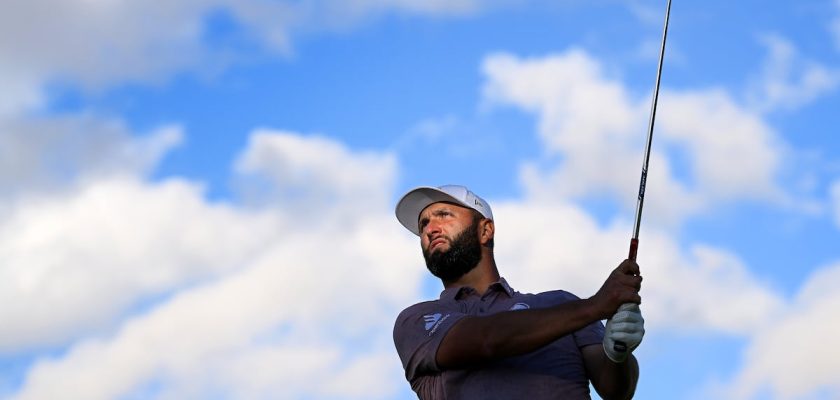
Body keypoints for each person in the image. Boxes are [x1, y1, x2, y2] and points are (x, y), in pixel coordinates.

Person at [392, 185, 645, 400]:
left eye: (444, 215)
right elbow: (487, 339)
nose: (430, 229)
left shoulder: (561, 302)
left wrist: (617, 352)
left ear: (485, 230)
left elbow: (616, 391)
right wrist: (596, 307)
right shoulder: (415, 320)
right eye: (424, 224)